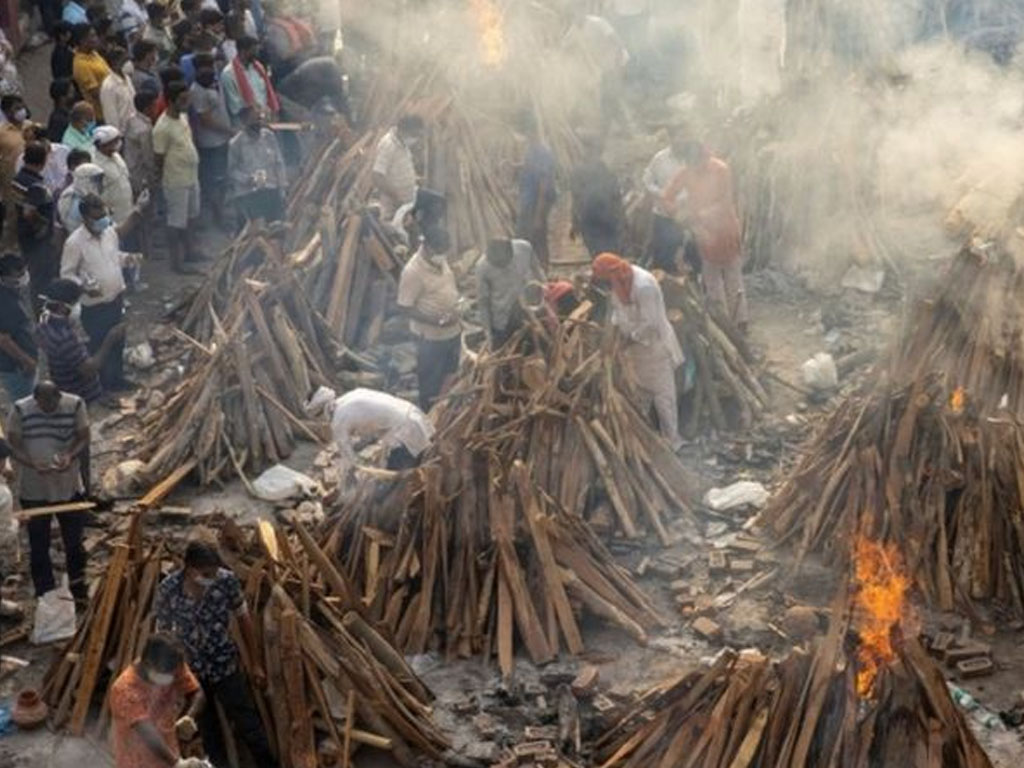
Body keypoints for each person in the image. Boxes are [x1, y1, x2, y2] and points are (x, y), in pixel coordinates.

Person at [154, 540, 277, 768]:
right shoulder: (168, 590)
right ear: (190, 569)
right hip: (192, 672)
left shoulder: (226, 581)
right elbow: (162, 634)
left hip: (225, 665)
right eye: (206, 573)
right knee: (208, 732)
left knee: (248, 724)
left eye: (213, 572)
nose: (211, 577)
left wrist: (256, 662)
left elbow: (243, 619)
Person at [6, 380, 91, 604]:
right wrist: (32, 463)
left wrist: (70, 456)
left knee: (74, 541)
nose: (48, 409)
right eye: (43, 405)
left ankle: (78, 586)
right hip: (34, 490)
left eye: (52, 404)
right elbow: (12, 445)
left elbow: (84, 436)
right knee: (39, 543)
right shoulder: (20, 409)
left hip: (69, 486)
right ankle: (45, 592)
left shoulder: (75, 405)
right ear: (35, 400)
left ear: (59, 397)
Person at [591, 253, 684, 450]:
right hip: (635, 349)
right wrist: (614, 332)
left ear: (614, 274)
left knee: (663, 396)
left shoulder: (644, 286)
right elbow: (617, 311)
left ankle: (672, 440)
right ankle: (647, 438)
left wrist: (630, 337)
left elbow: (651, 323)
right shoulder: (619, 282)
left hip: (654, 346)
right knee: (641, 393)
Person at [60, 193, 142, 391]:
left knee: (118, 341)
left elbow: (113, 257)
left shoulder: (109, 233)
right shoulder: (75, 243)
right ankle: (103, 386)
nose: (102, 220)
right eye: (97, 217)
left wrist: (128, 259)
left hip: (116, 298)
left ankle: (117, 379)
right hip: (95, 306)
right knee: (100, 345)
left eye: (103, 215)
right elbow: (67, 274)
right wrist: (84, 286)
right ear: (85, 218)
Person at [662, 143, 747, 331]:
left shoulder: (721, 170)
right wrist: (676, 212)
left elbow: (725, 202)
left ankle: (740, 321)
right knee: (711, 278)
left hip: (725, 228)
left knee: (733, 276)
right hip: (703, 232)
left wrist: (701, 214)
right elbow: (666, 197)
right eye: (691, 165)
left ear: (704, 158)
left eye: (697, 164)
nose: (695, 168)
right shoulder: (686, 171)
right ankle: (723, 321)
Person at [110, 633, 206, 768]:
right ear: (148, 664)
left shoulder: (171, 664)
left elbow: (197, 693)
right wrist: (177, 763)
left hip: (169, 754)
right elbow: (146, 732)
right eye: (167, 674)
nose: (172, 678)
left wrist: (189, 717)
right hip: (136, 761)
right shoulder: (125, 689)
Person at [397, 226, 461, 411]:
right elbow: (404, 307)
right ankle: (429, 419)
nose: (442, 255)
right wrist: (436, 321)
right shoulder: (412, 272)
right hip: (431, 338)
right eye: (439, 251)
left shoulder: (439, 260)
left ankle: (445, 415)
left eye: (444, 251)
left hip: (453, 332)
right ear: (426, 246)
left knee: (451, 377)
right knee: (431, 383)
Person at [306, 386, 434, 470]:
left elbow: (350, 461)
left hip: (405, 431)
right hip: (414, 414)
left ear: (323, 411)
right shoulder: (351, 395)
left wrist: (354, 479)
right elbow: (372, 423)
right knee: (418, 462)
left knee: (394, 481)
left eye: (319, 417)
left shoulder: (339, 421)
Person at [152, 81, 203, 272]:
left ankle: (191, 251)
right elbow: (159, 157)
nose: (186, 103)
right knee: (175, 222)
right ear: (171, 101)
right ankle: (176, 262)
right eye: (182, 99)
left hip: (191, 177)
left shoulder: (183, 117)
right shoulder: (162, 127)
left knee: (192, 217)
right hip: (176, 181)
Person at [36, 279, 105, 402]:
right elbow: (88, 370)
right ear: (63, 306)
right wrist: (110, 340)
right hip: (80, 392)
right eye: (75, 302)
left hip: (61, 381)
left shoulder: (44, 322)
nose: (77, 306)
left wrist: (84, 290)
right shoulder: (65, 337)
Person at [476, 237, 544, 348]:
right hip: (502, 317)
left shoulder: (524, 248)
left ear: (511, 255)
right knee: (504, 355)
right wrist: (487, 332)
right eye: (496, 266)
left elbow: (537, 268)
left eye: (502, 264)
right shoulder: (482, 267)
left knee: (537, 347)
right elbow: (483, 302)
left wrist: (543, 286)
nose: (500, 268)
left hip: (529, 309)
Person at [190, 53, 232, 227]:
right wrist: (229, 130)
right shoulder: (197, 90)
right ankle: (217, 215)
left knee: (222, 177)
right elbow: (205, 120)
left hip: (222, 139)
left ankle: (221, 209)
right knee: (214, 180)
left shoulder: (212, 81)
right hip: (211, 142)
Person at [227, 106, 286, 228]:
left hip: (271, 188)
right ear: (244, 122)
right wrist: (247, 179)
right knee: (258, 230)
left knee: (277, 227)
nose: (258, 123)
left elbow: (279, 163)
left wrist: (282, 187)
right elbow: (231, 171)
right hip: (250, 193)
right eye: (253, 119)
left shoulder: (269, 137)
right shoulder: (236, 144)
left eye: (259, 119)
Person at [13, 143, 57, 300]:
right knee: (41, 279)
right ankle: (40, 313)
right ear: (43, 161)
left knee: (34, 275)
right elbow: (29, 212)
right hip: (38, 240)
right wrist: (44, 225)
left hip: (24, 235)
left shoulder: (18, 178)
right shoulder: (36, 186)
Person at [570, 135, 625, 257]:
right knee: (608, 254)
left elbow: (576, 198)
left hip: (594, 219)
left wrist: (574, 222)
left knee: (598, 254)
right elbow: (617, 199)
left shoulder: (579, 172)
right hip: (603, 219)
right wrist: (621, 221)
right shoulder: (607, 171)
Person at [642, 127, 688, 272]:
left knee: (683, 255)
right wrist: (662, 195)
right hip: (662, 215)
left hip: (684, 216)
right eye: (678, 137)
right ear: (671, 138)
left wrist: (681, 201)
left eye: (684, 137)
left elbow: (695, 185)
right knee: (661, 256)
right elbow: (648, 180)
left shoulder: (690, 160)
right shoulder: (659, 159)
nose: (681, 141)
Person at [514, 112, 556, 269]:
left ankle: (543, 268)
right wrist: (515, 166)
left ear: (531, 132)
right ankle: (536, 268)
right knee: (530, 235)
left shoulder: (542, 152)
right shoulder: (532, 149)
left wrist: (539, 214)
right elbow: (531, 167)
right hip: (529, 201)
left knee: (537, 235)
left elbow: (543, 184)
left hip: (537, 202)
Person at [0, 254, 37, 400]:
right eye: (18, 275)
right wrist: (26, 360)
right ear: (4, 277)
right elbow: (3, 339)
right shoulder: (4, 302)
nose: (23, 277)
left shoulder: (15, 291)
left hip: (25, 358)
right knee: (25, 403)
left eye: (24, 272)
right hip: (17, 366)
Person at [372, 113, 421, 220]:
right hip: (395, 205)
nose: (415, 139)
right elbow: (377, 176)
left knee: (436, 202)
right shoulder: (388, 145)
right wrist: (396, 197)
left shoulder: (402, 143)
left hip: (408, 199)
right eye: (413, 134)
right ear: (403, 131)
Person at [220, 35, 279, 123]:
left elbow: (266, 93)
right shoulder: (228, 74)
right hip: (247, 124)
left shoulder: (258, 68)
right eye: (254, 51)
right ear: (243, 51)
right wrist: (255, 115)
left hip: (267, 119)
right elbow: (235, 108)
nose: (257, 54)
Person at [91, 126, 135, 225]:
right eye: (114, 141)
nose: (118, 144)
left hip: (128, 211)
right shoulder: (96, 166)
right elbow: (96, 193)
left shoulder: (116, 156)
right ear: (103, 145)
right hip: (114, 219)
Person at [0, 94, 28, 242]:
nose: (21, 111)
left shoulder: (31, 127)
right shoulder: (2, 134)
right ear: (6, 112)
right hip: (11, 184)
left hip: (31, 179)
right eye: (17, 108)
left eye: (22, 107)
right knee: (13, 218)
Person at [71, 25, 112, 121]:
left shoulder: (94, 53)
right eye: (92, 36)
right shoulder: (81, 65)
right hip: (103, 114)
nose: (96, 39)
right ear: (82, 41)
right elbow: (95, 92)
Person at [123, 90, 157, 195]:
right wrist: (154, 175)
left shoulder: (131, 119)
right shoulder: (144, 130)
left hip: (130, 167)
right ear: (147, 109)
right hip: (141, 173)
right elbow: (148, 156)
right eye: (154, 106)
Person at [57, 157, 101, 233]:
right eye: (95, 180)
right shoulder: (75, 201)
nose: (98, 184)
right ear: (85, 180)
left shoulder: (81, 194)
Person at [99, 46, 137, 133]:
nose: (128, 63)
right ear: (115, 63)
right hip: (122, 133)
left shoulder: (127, 78)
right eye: (124, 60)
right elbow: (110, 115)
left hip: (134, 129)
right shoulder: (108, 86)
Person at [47, 78, 75, 143]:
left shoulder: (69, 113)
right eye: (71, 93)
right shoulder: (59, 120)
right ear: (62, 98)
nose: (74, 95)